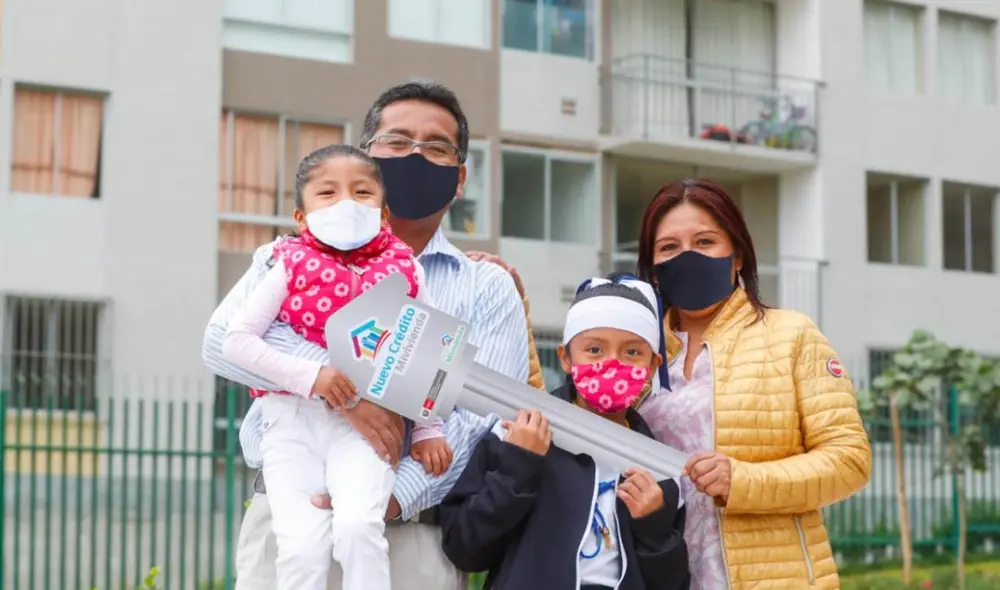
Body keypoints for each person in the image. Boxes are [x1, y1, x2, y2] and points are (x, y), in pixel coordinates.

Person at [201, 80, 538, 590]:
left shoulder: (485, 286)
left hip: (409, 540)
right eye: (398, 142)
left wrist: (384, 500)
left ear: (461, 176)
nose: (417, 157)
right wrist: (341, 389)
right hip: (289, 519)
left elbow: (479, 422)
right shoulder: (285, 256)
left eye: (437, 147)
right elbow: (222, 342)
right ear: (366, 157)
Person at [219, 145, 454, 590]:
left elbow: (425, 350)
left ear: (384, 215)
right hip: (290, 428)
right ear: (301, 217)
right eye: (327, 193)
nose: (346, 204)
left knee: (358, 531)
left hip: (365, 431)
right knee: (301, 551)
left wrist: (426, 429)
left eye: (362, 192)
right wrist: (315, 378)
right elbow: (235, 342)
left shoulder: (406, 270)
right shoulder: (286, 264)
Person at [633, 179, 872, 589]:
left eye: (705, 241)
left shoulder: (791, 335)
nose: (687, 256)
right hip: (657, 573)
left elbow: (849, 461)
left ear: (737, 255)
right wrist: (513, 301)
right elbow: (562, 419)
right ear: (652, 268)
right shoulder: (636, 352)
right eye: (669, 247)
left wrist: (741, 481)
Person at [440, 274, 690, 590]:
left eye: (632, 353)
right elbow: (464, 550)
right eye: (595, 349)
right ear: (566, 358)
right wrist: (515, 470)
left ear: (653, 366)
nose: (612, 363)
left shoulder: (660, 471)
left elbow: (673, 584)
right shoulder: (517, 434)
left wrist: (653, 527)